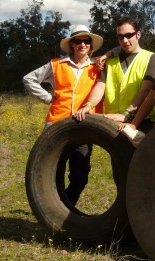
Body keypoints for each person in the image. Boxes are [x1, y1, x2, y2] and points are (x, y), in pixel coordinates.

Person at [23, 24, 103, 206]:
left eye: (86, 41)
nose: (82, 44)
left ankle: (64, 208)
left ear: (90, 45)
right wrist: (48, 97)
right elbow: (29, 79)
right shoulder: (57, 64)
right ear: (72, 45)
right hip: (56, 124)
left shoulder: (99, 65)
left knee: (80, 176)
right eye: (78, 41)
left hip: (84, 126)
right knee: (53, 174)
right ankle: (52, 209)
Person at [73, 17, 155, 132]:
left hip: (142, 122)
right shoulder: (110, 60)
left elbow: (146, 90)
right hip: (113, 123)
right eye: (120, 37)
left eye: (129, 35)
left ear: (138, 34)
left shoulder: (151, 58)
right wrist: (89, 105)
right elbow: (101, 86)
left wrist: (127, 114)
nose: (124, 40)